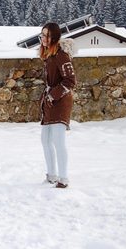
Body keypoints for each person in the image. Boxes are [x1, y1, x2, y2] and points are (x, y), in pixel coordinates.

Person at [39, 22, 76, 188]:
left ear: (54, 37)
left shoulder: (61, 55)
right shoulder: (49, 55)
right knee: (45, 140)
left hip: (60, 103)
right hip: (50, 102)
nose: (43, 38)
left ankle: (63, 178)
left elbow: (70, 81)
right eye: (42, 35)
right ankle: (52, 175)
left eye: (46, 35)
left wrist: (53, 96)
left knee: (58, 141)